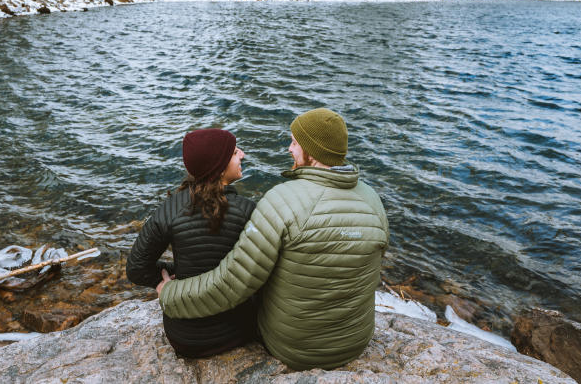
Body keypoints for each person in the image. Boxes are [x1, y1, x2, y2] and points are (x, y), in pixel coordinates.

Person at [157, 108, 388, 371]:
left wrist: (171, 294)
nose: (289, 149)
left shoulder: (282, 200)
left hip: (293, 348)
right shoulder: (373, 200)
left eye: (294, 143)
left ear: (311, 152)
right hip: (354, 342)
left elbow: (232, 282)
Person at [126, 127, 258, 358]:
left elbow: (136, 268)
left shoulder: (171, 208)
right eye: (236, 152)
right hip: (236, 331)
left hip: (184, 337)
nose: (243, 155)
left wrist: (167, 279)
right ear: (219, 166)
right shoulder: (248, 210)